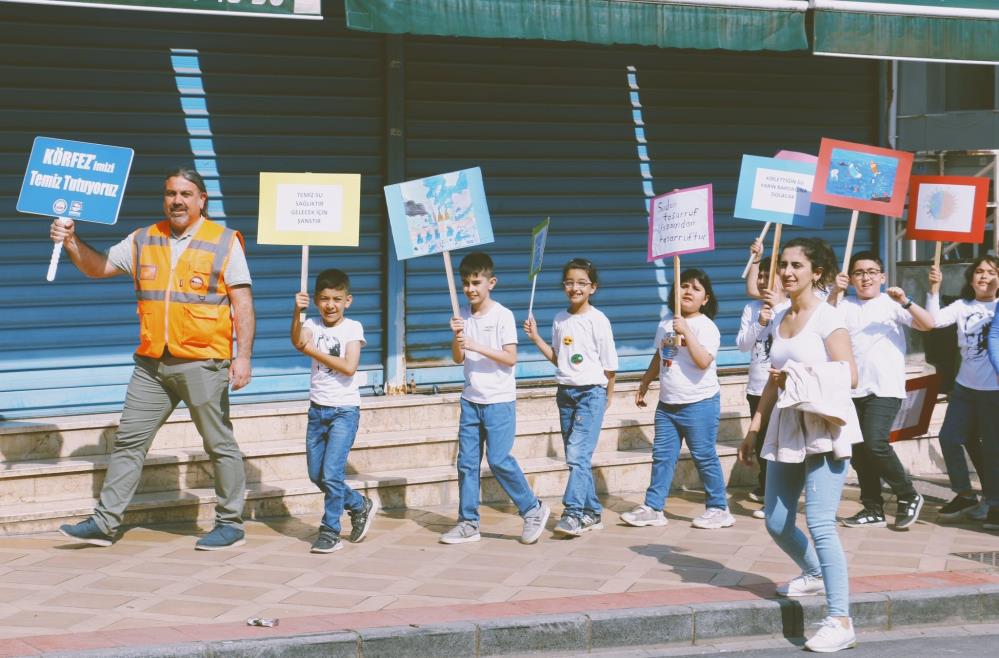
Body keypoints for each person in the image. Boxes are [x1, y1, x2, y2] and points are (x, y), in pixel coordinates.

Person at [55, 167, 253, 551]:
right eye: (170, 194)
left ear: (201, 199)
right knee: (129, 441)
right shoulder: (145, 238)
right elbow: (98, 268)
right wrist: (71, 240)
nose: (176, 200)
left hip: (202, 361)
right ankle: (105, 523)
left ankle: (231, 524)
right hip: (151, 364)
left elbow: (242, 302)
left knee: (218, 443)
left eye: (185, 193)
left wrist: (242, 357)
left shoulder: (224, 242)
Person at [738, 237, 859, 653]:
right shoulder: (780, 317)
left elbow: (851, 376)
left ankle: (840, 619)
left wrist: (796, 374)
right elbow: (773, 378)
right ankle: (813, 573)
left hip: (824, 425)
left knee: (821, 522)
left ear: (817, 273)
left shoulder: (829, 319)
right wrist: (755, 427)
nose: (787, 272)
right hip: (786, 427)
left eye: (797, 266)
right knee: (775, 521)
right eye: (784, 265)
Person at [439, 252, 550, 545]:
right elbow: (456, 357)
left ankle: (533, 508)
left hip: (499, 400)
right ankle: (468, 522)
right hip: (471, 399)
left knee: (499, 460)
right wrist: (457, 336)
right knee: (466, 463)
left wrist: (475, 343)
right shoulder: (460, 314)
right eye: (465, 283)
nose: (470, 289)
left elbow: (510, 358)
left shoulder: (502, 315)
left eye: (476, 282)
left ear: (491, 282)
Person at [829, 251, 934, 530]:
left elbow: (928, 324)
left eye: (871, 271)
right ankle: (872, 508)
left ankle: (908, 494)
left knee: (875, 443)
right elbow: (820, 326)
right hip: (852, 389)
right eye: (859, 273)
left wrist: (907, 301)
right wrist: (833, 292)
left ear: (882, 276)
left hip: (885, 387)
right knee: (860, 452)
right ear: (850, 279)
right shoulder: (842, 304)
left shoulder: (891, 303)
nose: (866, 277)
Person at [623, 268, 734, 530]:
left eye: (696, 288)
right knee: (662, 456)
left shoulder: (707, 327)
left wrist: (687, 331)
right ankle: (653, 507)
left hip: (700, 403)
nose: (688, 291)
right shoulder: (665, 323)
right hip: (667, 403)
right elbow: (660, 355)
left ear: (705, 299)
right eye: (683, 286)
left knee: (704, 455)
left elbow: (703, 361)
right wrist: (646, 381)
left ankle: (719, 508)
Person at [524, 257, 618, 537]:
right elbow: (559, 359)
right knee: (576, 457)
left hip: (591, 393)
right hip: (566, 393)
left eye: (581, 283)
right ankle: (592, 512)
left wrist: (607, 396)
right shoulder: (559, 319)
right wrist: (536, 338)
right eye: (569, 282)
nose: (574, 288)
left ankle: (574, 512)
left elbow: (610, 365)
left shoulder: (598, 320)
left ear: (593, 288)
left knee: (577, 455)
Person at [291, 268, 376, 553]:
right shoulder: (311, 324)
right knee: (317, 475)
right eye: (325, 299)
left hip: (344, 411)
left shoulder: (353, 328)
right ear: (316, 300)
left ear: (347, 301)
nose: (330, 305)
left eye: (337, 299)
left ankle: (330, 531)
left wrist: (311, 351)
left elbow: (349, 366)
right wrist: (297, 313)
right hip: (317, 411)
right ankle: (359, 504)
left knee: (331, 474)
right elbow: (297, 340)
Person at [925, 256, 999, 529]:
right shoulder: (962, 306)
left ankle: (994, 503)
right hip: (965, 387)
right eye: (979, 271)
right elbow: (933, 321)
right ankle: (965, 494)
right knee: (949, 437)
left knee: (992, 449)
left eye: (991, 272)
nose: (984, 277)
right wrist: (933, 289)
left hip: (994, 390)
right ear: (970, 278)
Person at [737, 248, 788, 515]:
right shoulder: (751, 308)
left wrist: (777, 311)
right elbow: (743, 345)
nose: (763, 282)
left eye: (770, 277)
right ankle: (767, 487)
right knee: (760, 442)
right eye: (761, 276)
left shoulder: (790, 308)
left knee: (777, 444)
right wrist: (759, 322)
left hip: (782, 386)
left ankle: (774, 497)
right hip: (757, 385)